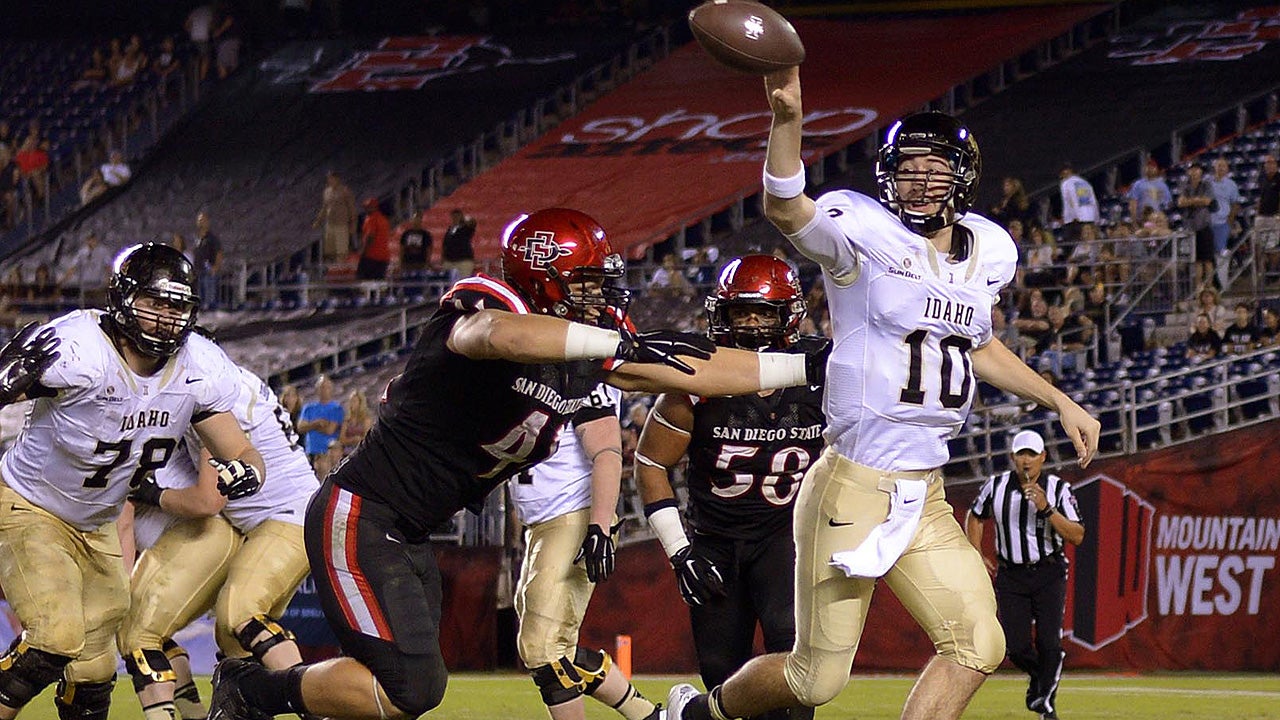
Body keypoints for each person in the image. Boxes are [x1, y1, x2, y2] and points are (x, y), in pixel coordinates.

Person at [205, 207, 825, 720]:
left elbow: (708, 371)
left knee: (408, 689)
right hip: (362, 512)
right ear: (545, 275)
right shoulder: (491, 305)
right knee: (409, 691)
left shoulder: (586, 341)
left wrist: (809, 366)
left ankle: (254, 692)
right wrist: (610, 345)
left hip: (409, 531)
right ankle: (250, 690)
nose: (599, 295)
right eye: (584, 281)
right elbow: (496, 337)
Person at [666, 68, 1100, 720]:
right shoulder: (861, 234)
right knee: (815, 679)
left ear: (963, 176)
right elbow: (788, 209)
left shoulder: (990, 251)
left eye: (934, 168)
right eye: (908, 168)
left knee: (981, 641)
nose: (919, 181)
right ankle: (696, 715)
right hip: (853, 484)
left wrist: (1061, 401)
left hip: (923, 491)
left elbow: (976, 344)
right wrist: (787, 122)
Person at [0, 243, 265, 720]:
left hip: (98, 521)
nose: (166, 318)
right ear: (123, 300)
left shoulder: (198, 365)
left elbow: (243, 451)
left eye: (176, 306)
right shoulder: (81, 347)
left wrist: (247, 471)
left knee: (95, 673)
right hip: (32, 504)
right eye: (155, 302)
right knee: (55, 638)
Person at [636, 254, 825, 720]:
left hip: (787, 540)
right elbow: (650, 462)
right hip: (715, 542)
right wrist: (680, 551)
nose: (754, 324)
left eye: (765, 313)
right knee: (721, 672)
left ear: (789, 317)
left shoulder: (823, 375)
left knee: (798, 670)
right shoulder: (697, 382)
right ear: (723, 315)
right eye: (743, 312)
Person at [120, 361, 319, 720]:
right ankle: (238, 710)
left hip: (279, 516)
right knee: (231, 640)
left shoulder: (204, 393)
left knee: (236, 615)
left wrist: (152, 494)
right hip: (261, 520)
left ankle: (319, 708)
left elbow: (208, 499)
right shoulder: (214, 382)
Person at [509, 381, 662, 720]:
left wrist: (600, 525)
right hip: (543, 523)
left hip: (573, 515)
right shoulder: (531, 370)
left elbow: (606, 450)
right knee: (559, 646)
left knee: (542, 646)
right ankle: (649, 716)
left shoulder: (580, 372)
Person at [964, 429, 1084, 720]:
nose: (1026, 461)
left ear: (1043, 457)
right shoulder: (996, 486)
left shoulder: (1057, 488)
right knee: (1014, 646)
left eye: (1032, 454)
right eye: (1021, 454)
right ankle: (1041, 679)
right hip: (1011, 574)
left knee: (1048, 642)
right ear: (1012, 458)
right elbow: (975, 516)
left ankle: (1047, 706)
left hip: (1048, 572)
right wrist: (976, 553)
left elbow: (1077, 535)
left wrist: (1046, 509)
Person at [1177, 164, 1217, 292]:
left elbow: (1207, 201)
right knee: (1197, 261)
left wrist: (1190, 201)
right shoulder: (1186, 186)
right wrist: (1196, 200)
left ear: (1201, 171)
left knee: (1208, 260)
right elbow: (1180, 202)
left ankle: (1210, 287)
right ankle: (1198, 288)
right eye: (1192, 169)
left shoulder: (1206, 185)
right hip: (1191, 228)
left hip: (1204, 226)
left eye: (1197, 169)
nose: (1194, 172)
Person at [296, 376, 342, 469]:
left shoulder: (336, 408)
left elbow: (330, 430)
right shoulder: (308, 408)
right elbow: (300, 427)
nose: (324, 390)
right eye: (321, 387)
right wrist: (317, 423)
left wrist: (310, 425)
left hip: (328, 453)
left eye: (326, 387)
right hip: (311, 451)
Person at [60, 231, 116, 308]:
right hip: (85, 287)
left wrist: (108, 281)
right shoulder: (82, 252)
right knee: (86, 308)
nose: (91, 241)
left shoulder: (103, 251)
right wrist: (62, 281)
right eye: (89, 239)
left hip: (98, 286)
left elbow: (108, 267)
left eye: (93, 239)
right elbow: (73, 267)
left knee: (99, 307)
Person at [313, 172, 357, 266]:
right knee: (331, 250)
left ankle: (341, 268)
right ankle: (335, 267)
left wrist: (353, 224)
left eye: (332, 178)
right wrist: (318, 220)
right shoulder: (326, 192)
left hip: (342, 223)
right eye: (328, 179)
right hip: (330, 223)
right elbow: (324, 208)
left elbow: (351, 208)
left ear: (337, 179)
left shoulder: (345, 191)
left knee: (341, 250)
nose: (330, 181)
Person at [1057, 162, 1098, 247]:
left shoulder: (1066, 183)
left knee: (1074, 246)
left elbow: (1072, 200)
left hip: (1074, 220)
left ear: (1066, 172)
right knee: (1090, 244)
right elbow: (1093, 201)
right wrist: (1096, 218)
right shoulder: (1085, 183)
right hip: (1089, 218)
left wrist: (1075, 216)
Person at [194, 210, 223, 310]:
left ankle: (210, 309)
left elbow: (219, 252)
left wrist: (216, 266)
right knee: (200, 292)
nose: (201, 222)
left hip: (208, 268)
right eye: (199, 220)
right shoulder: (198, 238)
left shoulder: (212, 238)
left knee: (209, 292)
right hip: (199, 269)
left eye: (203, 220)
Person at [357, 198, 392, 281]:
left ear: (374, 207)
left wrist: (363, 252)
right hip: (384, 258)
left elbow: (370, 237)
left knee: (365, 282)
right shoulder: (384, 219)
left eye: (368, 207)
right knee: (377, 284)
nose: (365, 209)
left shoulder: (370, 218)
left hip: (371, 256)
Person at [441, 208, 477, 278]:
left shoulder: (465, 228)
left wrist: (465, 220)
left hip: (463, 260)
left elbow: (473, 223)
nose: (455, 218)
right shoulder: (450, 229)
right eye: (454, 217)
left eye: (457, 216)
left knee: (464, 281)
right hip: (450, 260)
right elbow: (445, 244)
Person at [338, 389, 372, 455]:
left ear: (360, 403)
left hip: (362, 452)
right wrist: (352, 440)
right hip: (347, 452)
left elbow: (367, 438)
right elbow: (341, 439)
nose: (351, 404)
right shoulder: (347, 420)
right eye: (350, 401)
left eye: (354, 401)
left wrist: (359, 440)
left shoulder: (366, 419)